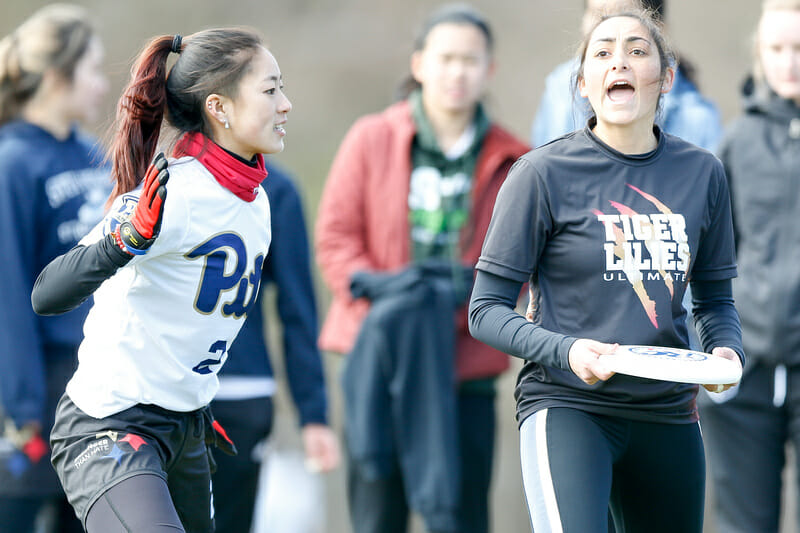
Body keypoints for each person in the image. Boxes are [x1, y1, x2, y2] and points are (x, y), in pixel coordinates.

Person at [468, 7, 743, 533]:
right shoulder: (540, 174)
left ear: (665, 79)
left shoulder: (703, 173)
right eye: (603, 52)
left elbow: (714, 303)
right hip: (568, 403)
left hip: (667, 412)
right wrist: (568, 350)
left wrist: (725, 353)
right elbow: (485, 311)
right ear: (583, 83)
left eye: (637, 51)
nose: (620, 61)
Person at [30, 27, 290, 532]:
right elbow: (47, 292)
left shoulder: (256, 200)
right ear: (219, 107)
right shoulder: (172, 192)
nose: (286, 104)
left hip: (185, 430)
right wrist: (125, 239)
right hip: (108, 426)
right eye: (271, 89)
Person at [315, 4, 528, 533]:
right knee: (376, 514)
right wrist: (398, 299)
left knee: (460, 515)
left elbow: (520, 266)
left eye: (471, 60)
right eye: (446, 58)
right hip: (378, 353)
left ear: (489, 69)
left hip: (465, 366)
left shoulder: (515, 159)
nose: (458, 72)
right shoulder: (371, 138)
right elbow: (336, 240)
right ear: (419, 64)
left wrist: (450, 307)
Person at [0, 4, 109, 531]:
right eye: (93, 69)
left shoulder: (94, 155)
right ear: (58, 76)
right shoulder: (11, 161)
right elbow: (7, 291)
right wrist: (21, 411)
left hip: (96, 385)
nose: (102, 84)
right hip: (32, 392)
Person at [699, 2, 800, 531]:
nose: (789, 62)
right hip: (747, 377)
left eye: (799, 49)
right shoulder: (736, 143)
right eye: (776, 49)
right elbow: (711, 262)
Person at [211, 161, 339, 533]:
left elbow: (298, 308)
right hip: (158, 396)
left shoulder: (278, 189)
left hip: (241, 394)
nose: (282, 106)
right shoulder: (165, 179)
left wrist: (313, 413)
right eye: (268, 96)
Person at [531, 0, 722, 151]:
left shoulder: (697, 118)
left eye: (623, 12)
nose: (607, 25)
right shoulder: (560, 89)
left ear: (659, 30)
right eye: (596, 13)